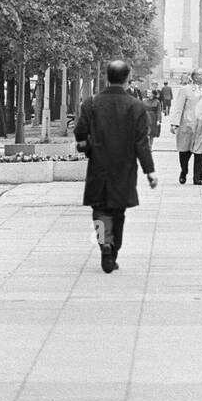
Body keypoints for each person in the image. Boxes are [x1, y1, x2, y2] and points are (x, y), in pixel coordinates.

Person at [74, 60, 158, 274]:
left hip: (99, 165)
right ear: (128, 78)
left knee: (99, 210)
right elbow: (142, 143)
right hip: (124, 166)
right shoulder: (136, 106)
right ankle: (114, 248)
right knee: (118, 211)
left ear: (107, 77)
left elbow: (80, 132)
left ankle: (104, 244)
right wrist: (150, 171)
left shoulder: (91, 103)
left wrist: (88, 147)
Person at [170, 68, 202, 184]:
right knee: (184, 150)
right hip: (187, 124)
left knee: (200, 152)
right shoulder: (185, 90)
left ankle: (198, 177)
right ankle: (184, 170)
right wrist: (174, 123)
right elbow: (178, 107)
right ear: (195, 77)